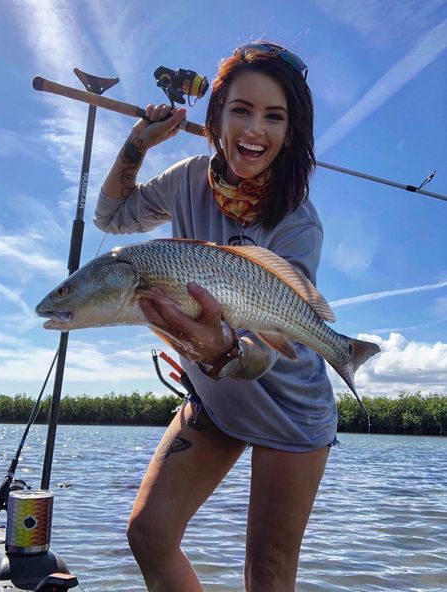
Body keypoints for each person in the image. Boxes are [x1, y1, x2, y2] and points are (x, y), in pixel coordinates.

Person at [94, 42, 337, 592]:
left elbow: (264, 347)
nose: (255, 129)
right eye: (241, 110)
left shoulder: (300, 223)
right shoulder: (186, 178)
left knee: (268, 575)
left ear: (292, 131)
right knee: (148, 534)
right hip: (215, 398)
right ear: (217, 115)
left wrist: (221, 348)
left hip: (290, 409)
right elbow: (110, 218)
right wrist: (137, 143)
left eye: (275, 116)